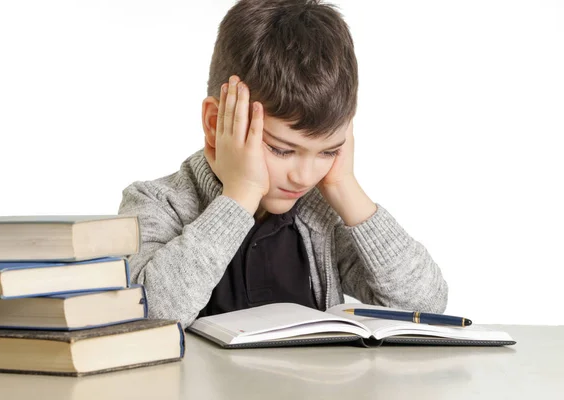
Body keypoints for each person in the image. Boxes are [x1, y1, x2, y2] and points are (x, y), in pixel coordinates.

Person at [118, 0, 448, 328]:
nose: (304, 176)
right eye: (282, 150)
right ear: (215, 123)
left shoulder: (321, 215)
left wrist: (343, 185)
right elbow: (146, 315)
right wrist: (240, 196)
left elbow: (422, 304)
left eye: (328, 152)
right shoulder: (155, 205)